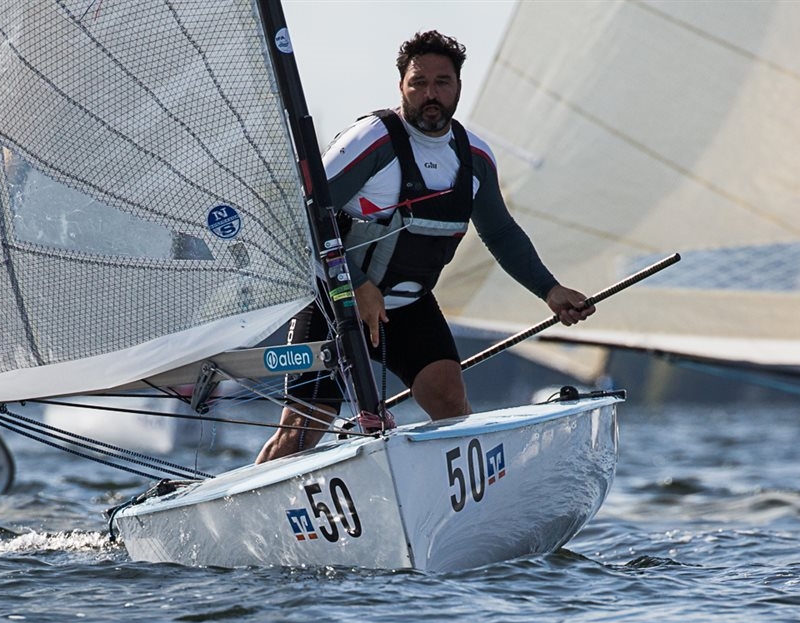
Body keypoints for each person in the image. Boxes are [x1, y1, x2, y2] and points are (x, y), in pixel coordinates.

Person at [255, 30, 595, 463]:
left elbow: (501, 234)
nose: (430, 94)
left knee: (450, 399)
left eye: (441, 82)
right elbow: (299, 219)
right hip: (333, 299)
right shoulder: (372, 140)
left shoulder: (474, 158)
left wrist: (550, 289)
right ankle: (242, 501)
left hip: (408, 306)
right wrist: (356, 285)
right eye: (418, 83)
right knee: (302, 429)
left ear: (458, 87)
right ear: (401, 86)